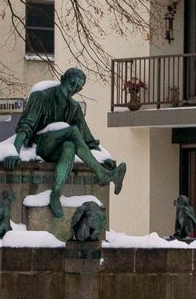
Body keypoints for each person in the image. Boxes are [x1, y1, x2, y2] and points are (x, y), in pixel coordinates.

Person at [12, 68, 126, 218]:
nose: (74, 88)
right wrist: (14, 151)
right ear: (62, 79)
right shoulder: (42, 96)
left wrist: (103, 157)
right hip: (39, 144)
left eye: (79, 87)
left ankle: (55, 194)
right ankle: (102, 175)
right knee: (72, 131)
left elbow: (87, 138)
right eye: (72, 83)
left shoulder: (74, 107)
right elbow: (26, 125)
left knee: (70, 146)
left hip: (56, 150)